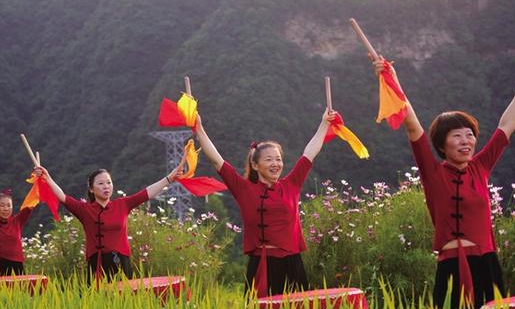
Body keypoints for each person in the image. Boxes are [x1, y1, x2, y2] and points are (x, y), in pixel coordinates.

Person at [372, 56, 515, 309]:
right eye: (457, 136)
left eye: (469, 135)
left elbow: (506, 125)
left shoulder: (481, 166)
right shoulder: (432, 173)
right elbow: (412, 125)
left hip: (486, 264)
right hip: (451, 268)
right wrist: (391, 79)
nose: (466, 141)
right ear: (442, 145)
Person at [195, 109, 336, 296]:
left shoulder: (291, 184)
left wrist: (324, 124)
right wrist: (199, 129)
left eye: (278, 159)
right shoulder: (244, 189)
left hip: (291, 262)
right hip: (260, 264)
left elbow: (309, 153)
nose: (275, 164)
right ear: (255, 165)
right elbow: (216, 160)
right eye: (268, 160)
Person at [35, 159, 184, 283]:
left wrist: (169, 178)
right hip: (96, 264)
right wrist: (47, 178)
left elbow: (146, 193)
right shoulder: (84, 210)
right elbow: (62, 197)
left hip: (121, 262)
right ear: (92, 189)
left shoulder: (123, 204)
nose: (106, 186)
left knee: (124, 303)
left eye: (108, 182)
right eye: (100, 184)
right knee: (98, 305)